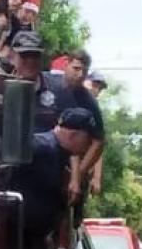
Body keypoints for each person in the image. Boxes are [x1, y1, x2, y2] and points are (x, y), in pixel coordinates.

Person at [10, 107, 98, 249]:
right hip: (22, 237)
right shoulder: (45, 151)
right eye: (86, 140)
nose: (86, 148)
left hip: (34, 236)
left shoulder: (53, 152)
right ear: (73, 135)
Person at [42, 50, 106, 208]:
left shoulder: (88, 101)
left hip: (63, 166)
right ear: (67, 65)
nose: (80, 74)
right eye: (76, 68)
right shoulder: (46, 82)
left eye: (84, 71)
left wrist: (78, 173)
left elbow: (99, 140)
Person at [8, 31, 61, 130]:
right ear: (11, 56)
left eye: (35, 55)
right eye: (25, 55)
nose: (31, 60)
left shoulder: (57, 87)